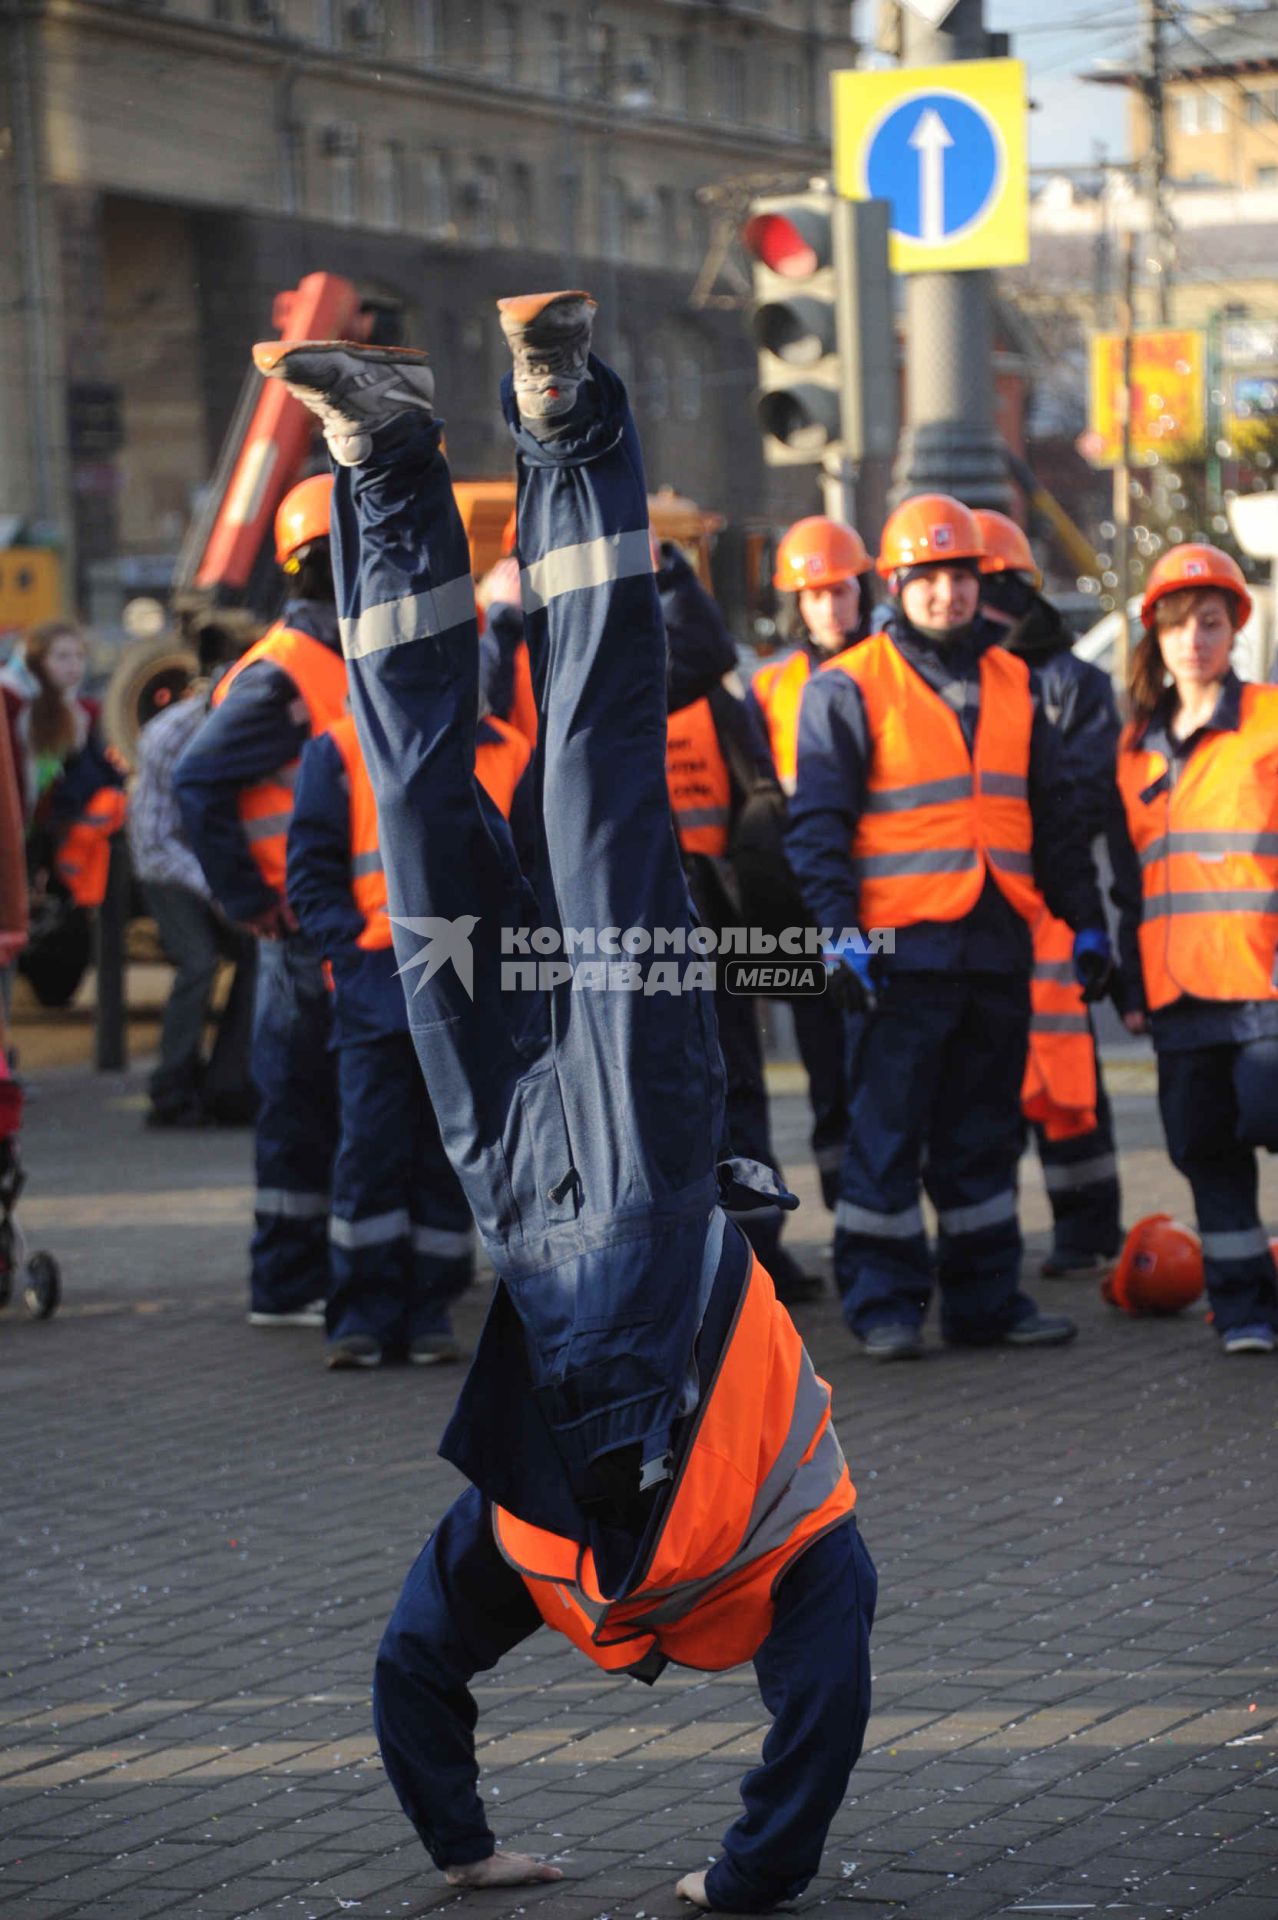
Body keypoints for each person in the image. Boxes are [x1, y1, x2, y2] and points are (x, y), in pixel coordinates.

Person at [256, 289, 876, 1914]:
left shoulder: (527, 1547)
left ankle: (383, 450)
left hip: (514, 1164)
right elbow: (825, 1683)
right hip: (635, 1106)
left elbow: (411, 1670)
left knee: (416, 820)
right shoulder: (775, 1531)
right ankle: (563, 412)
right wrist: (745, 1879)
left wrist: (466, 1850)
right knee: (600, 775)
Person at [788, 493, 1113, 1361]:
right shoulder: (846, 687)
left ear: (980, 582)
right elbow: (817, 829)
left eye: (960, 576)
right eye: (928, 579)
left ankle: (985, 1299)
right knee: (887, 1134)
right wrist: (838, 933)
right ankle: (885, 1303)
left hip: (994, 943)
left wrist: (1087, 925)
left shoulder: (1020, 684)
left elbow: (1054, 820)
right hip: (898, 954)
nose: (947, 595)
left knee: (983, 1135)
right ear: (897, 585)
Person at [286, 702, 530, 1369]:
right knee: (372, 1149)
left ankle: (427, 1312)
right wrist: (352, 952)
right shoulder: (338, 749)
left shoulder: (508, 749)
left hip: (464, 987)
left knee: (448, 1158)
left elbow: (528, 871)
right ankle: (364, 1313)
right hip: (379, 986)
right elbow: (310, 871)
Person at [175, 475, 347, 1327]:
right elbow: (197, 779)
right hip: (299, 924)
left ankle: (314, 1271)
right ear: (327, 561)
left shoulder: (324, 659)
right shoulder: (281, 675)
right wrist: (249, 897)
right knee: (302, 1100)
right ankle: (286, 1282)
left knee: (326, 1099)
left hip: (330, 920)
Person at [1114, 543, 1278, 1356]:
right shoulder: (1136, 746)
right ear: (1157, 639)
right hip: (1179, 994)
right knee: (1205, 1151)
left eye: (1209, 624)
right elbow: (1133, 880)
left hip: (1262, 985)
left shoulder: (1271, 723)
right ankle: (1245, 1308)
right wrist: (1126, 979)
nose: (1194, 641)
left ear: (1233, 630)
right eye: (1178, 626)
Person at [661, 545, 821, 1304]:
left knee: (738, 1086)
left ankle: (755, 1250)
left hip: (717, 921)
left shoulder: (708, 700)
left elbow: (756, 803)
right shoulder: (583, 696)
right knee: (671, 1095)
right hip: (638, 929)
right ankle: (688, 1262)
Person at [975, 508, 1125, 1280]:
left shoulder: (1072, 684)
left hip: (1047, 911)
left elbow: (1088, 797)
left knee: (1068, 1079)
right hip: (983, 909)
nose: (985, 602)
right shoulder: (957, 677)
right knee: (995, 1078)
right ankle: (994, 1243)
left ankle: (1089, 1228)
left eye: (997, 585)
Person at [747, 518, 875, 1213]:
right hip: (802, 898)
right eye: (815, 594)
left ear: (863, 589)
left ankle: (876, 1201)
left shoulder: (889, 670)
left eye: (839, 591)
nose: (828, 606)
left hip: (879, 887)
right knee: (824, 1057)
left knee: (878, 1060)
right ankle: (844, 1202)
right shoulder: (771, 687)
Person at [128, 636, 258, 1129]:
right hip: (169, 871)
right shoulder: (167, 737)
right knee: (198, 963)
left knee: (257, 954)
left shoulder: (253, 728)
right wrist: (219, 891)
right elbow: (156, 842)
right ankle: (171, 1088)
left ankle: (231, 1082)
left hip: (215, 868)